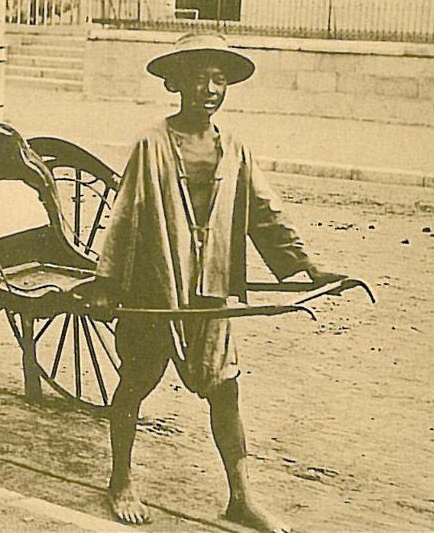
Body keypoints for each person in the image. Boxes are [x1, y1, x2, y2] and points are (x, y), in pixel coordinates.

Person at [91, 34, 345, 531]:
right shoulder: (151, 142)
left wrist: (306, 266)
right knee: (138, 381)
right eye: (197, 79)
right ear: (176, 84)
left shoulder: (234, 148)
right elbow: (125, 217)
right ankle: (120, 478)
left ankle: (242, 497)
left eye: (218, 80)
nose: (208, 90)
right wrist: (106, 284)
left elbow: (264, 212)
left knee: (226, 391)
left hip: (210, 287)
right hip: (154, 284)